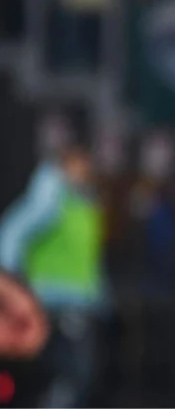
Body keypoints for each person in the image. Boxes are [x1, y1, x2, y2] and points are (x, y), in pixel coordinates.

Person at [0, 144, 107, 407]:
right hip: (52, 301)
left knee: (76, 377)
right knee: (69, 376)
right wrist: (13, 285)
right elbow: (11, 234)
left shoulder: (81, 203)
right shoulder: (50, 200)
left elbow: (86, 258)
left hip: (76, 301)